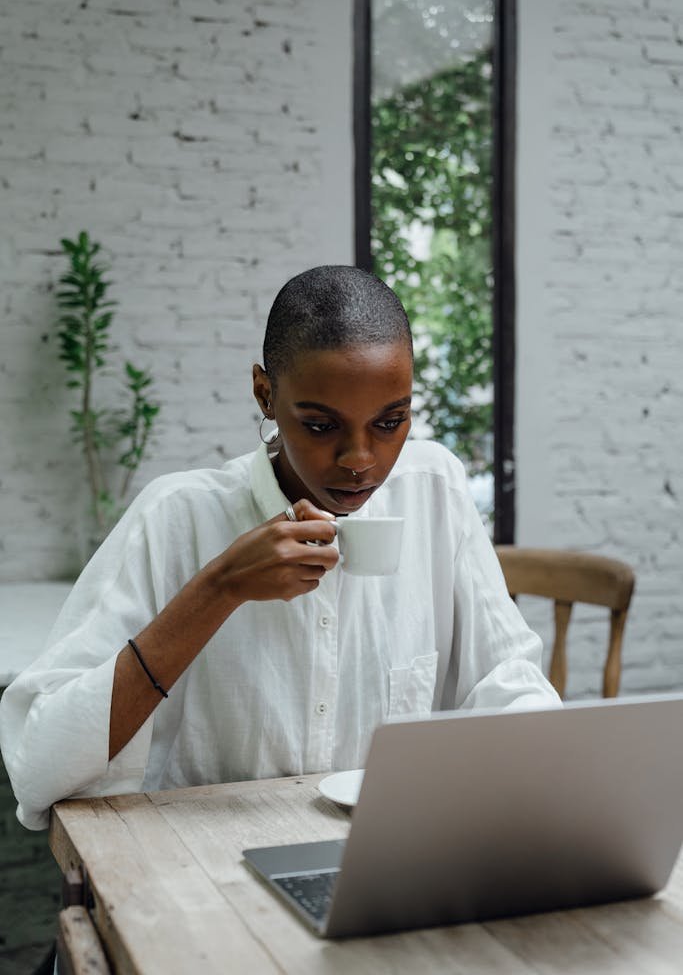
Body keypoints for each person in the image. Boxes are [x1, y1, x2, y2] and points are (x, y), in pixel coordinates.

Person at [0, 265, 559, 831]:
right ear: (265, 394)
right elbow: (38, 766)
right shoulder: (178, 517)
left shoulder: (434, 488)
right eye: (320, 426)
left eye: (391, 421)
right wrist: (220, 587)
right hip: (203, 870)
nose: (361, 459)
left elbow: (510, 685)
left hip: (385, 853)